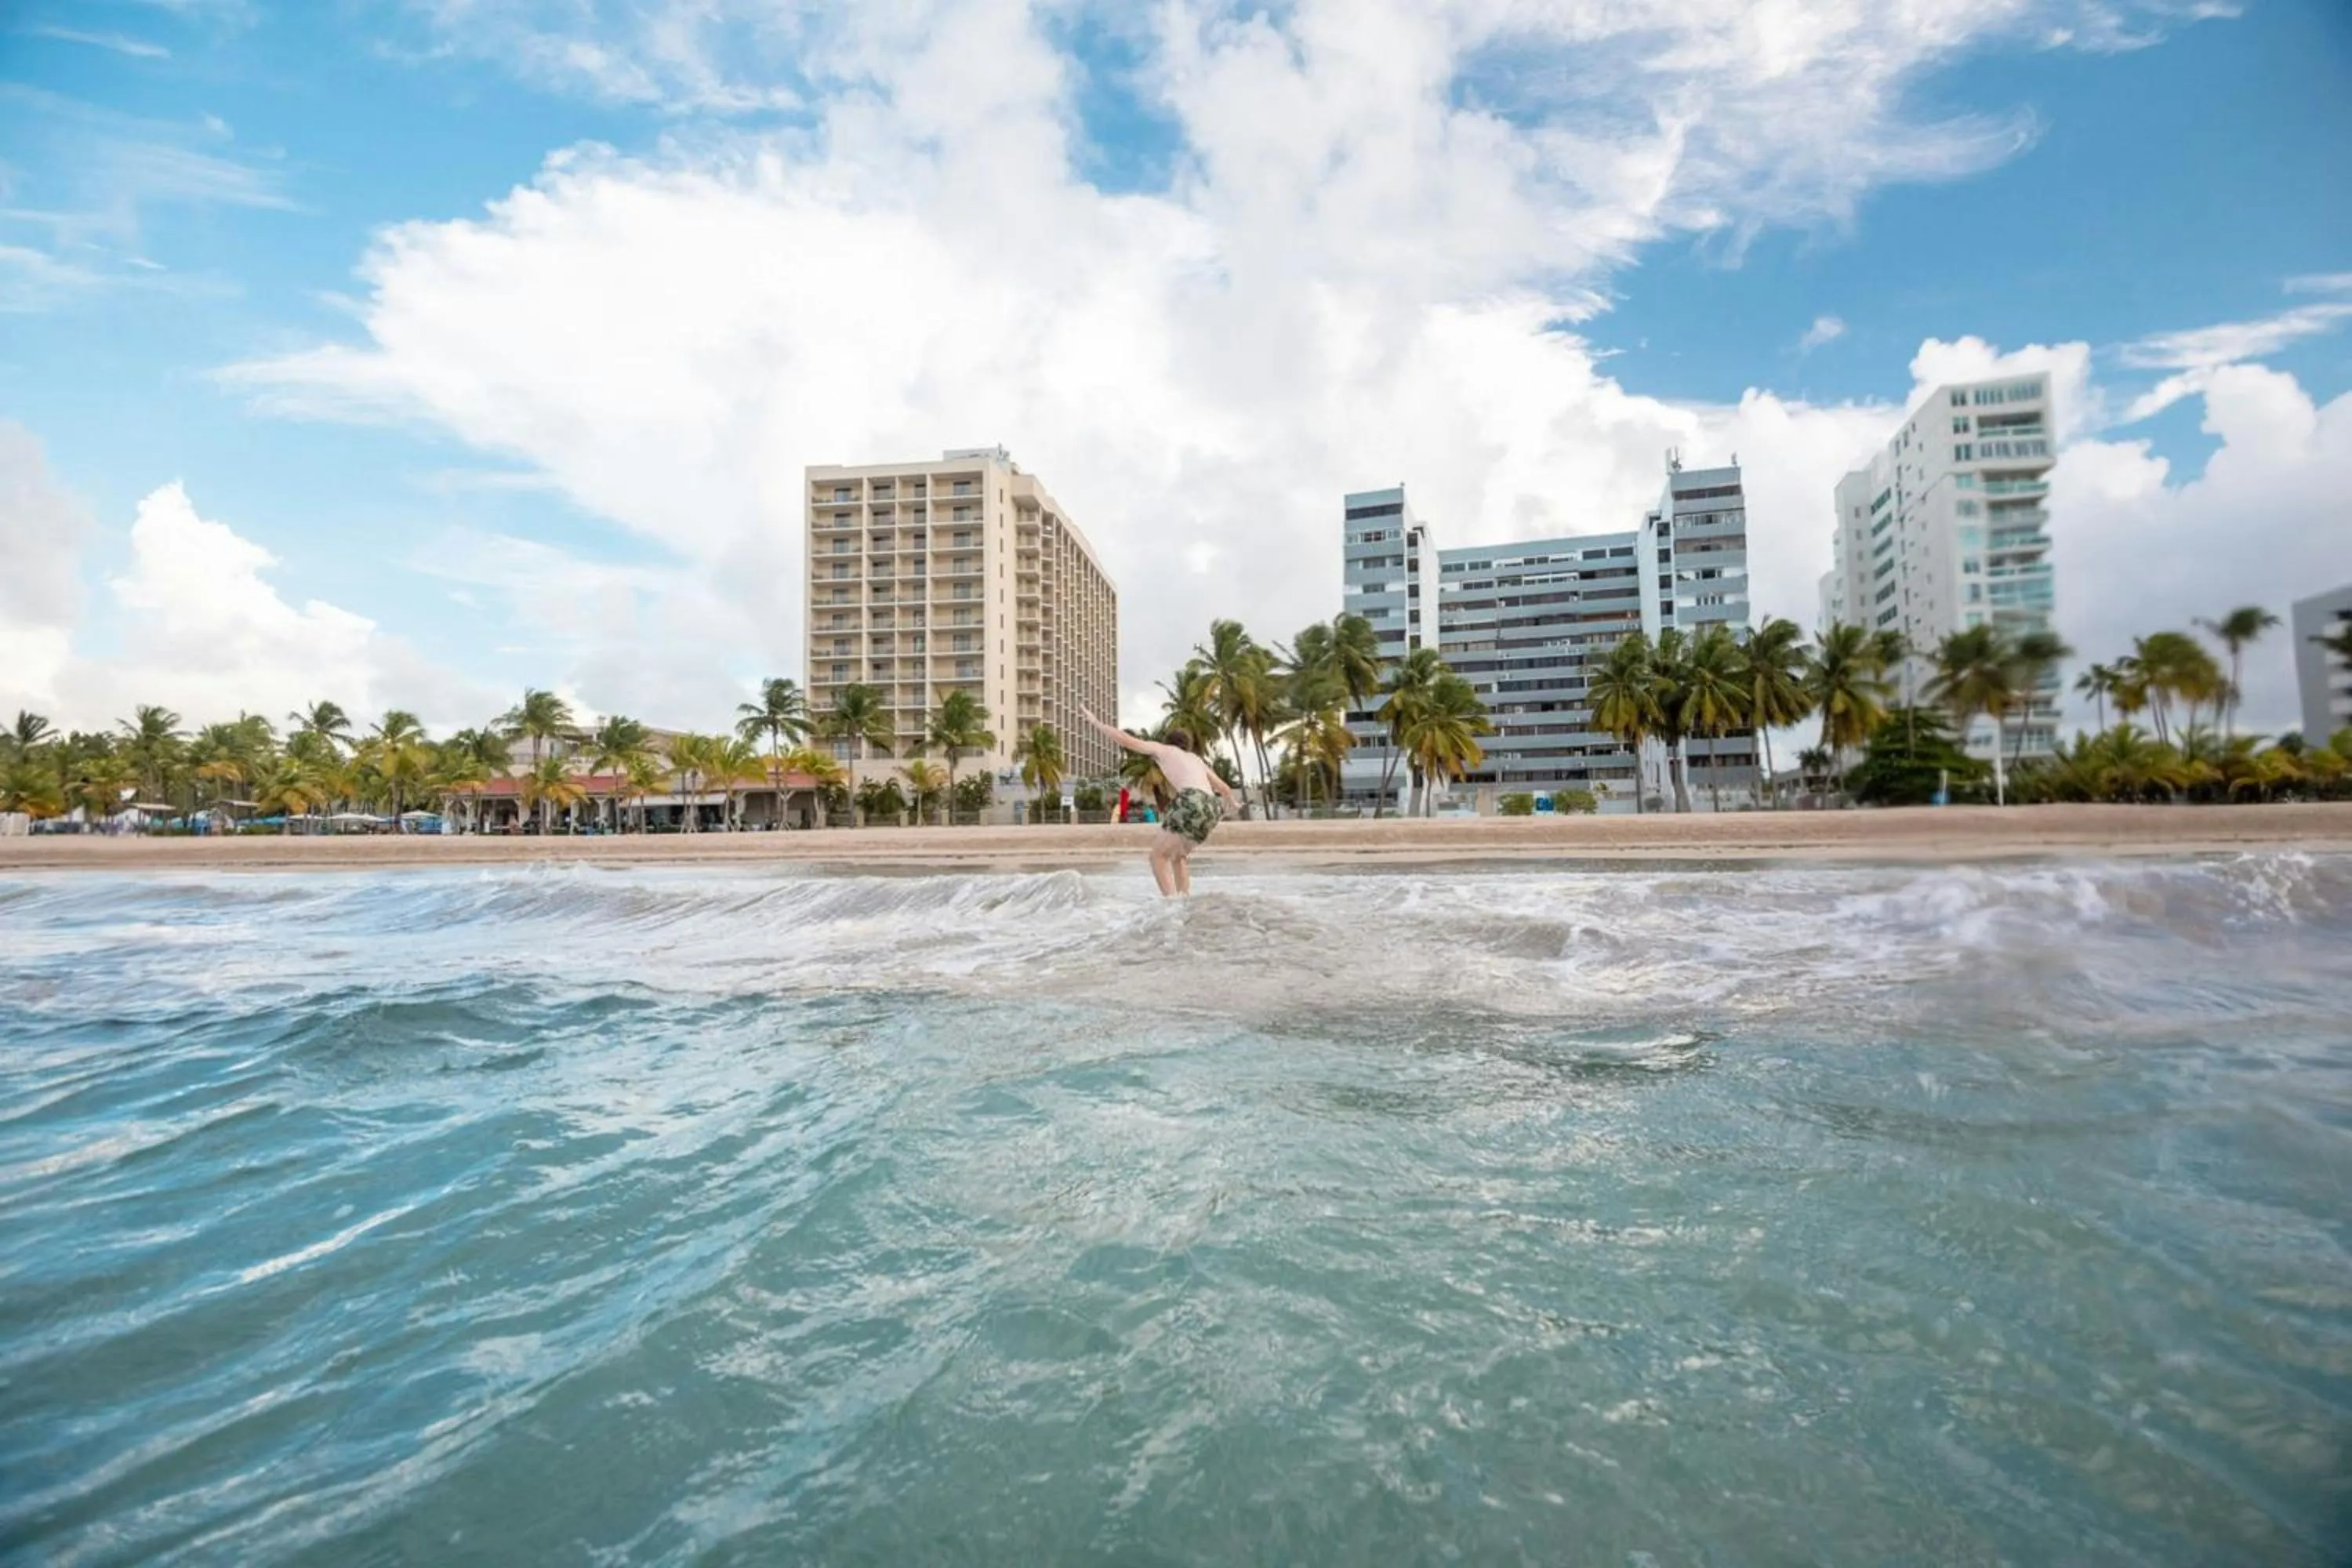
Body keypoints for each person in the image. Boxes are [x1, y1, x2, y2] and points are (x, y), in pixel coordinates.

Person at [1080, 707, 1239, 897]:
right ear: (1186, 745)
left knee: (1157, 857)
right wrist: (1233, 805)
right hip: (1213, 807)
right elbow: (1225, 789)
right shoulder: (1195, 759)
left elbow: (1127, 740)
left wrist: (1097, 723)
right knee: (1178, 856)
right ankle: (1184, 899)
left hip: (1191, 800)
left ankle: (1170, 903)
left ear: (1168, 742)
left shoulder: (1164, 750)